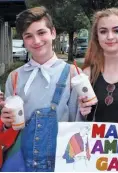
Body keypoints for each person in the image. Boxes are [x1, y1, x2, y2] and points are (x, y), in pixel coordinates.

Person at [0, 6, 82, 172]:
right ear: (23, 40)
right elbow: (9, 130)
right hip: (21, 163)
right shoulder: (14, 77)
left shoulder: (72, 74)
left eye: (41, 33)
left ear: (52, 32)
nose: (36, 41)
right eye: (28, 36)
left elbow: (78, 126)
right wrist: (6, 123)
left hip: (60, 162)